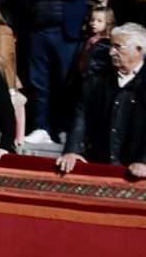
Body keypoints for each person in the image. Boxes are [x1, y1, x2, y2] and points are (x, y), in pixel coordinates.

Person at [21, 0, 95, 144]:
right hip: (39, 32)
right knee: (38, 81)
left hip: (65, 34)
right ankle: (42, 127)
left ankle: (64, 128)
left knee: (65, 82)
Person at [58, 23, 146, 177]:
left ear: (138, 50)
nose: (111, 52)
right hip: (100, 164)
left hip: (136, 171)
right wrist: (72, 150)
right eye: (111, 46)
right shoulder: (98, 80)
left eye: (118, 47)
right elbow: (81, 115)